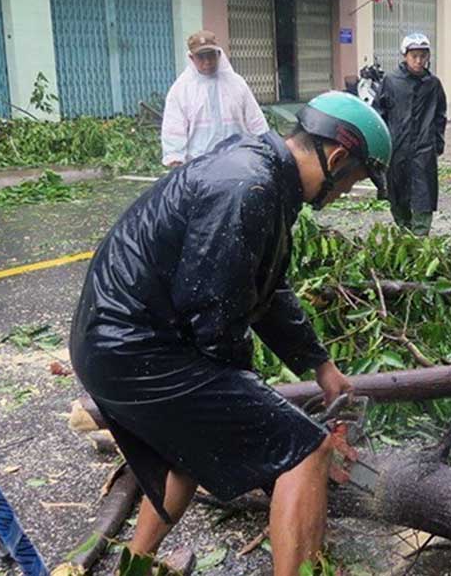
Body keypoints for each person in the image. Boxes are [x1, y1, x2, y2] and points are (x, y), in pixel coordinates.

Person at [69, 92, 392, 576]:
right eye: (353, 182)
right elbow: (215, 318)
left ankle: (133, 567)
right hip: (134, 349)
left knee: (189, 450)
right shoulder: (249, 187)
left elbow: (266, 288)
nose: (346, 193)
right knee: (307, 450)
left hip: (114, 344)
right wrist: (272, 426)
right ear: (337, 157)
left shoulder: (265, 174)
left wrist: (320, 365)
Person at [161, 30, 268, 168]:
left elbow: (255, 120)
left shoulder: (236, 83)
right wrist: (175, 159)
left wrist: (265, 145)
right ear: (192, 58)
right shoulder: (181, 89)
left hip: (238, 162)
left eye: (211, 56)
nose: (207, 62)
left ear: (219, 54)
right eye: (201, 57)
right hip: (199, 166)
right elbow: (173, 128)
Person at [375, 33, 447, 236]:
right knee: (397, 192)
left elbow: (440, 115)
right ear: (405, 56)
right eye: (414, 55)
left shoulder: (433, 84)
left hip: (424, 149)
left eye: (423, 56)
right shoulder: (391, 81)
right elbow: (379, 113)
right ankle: (404, 230)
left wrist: (437, 143)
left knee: (423, 193)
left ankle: (421, 236)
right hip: (397, 148)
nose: (418, 61)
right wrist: (380, 146)